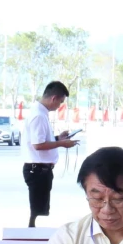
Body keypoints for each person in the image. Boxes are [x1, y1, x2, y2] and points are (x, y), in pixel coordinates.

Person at [24, 80, 77, 225]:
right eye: (60, 102)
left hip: (41, 169)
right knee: (38, 212)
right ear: (53, 98)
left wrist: (58, 138)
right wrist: (62, 143)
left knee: (41, 209)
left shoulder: (41, 112)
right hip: (37, 170)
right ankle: (33, 241)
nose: (59, 106)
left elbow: (40, 139)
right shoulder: (39, 115)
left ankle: (35, 237)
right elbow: (38, 145)